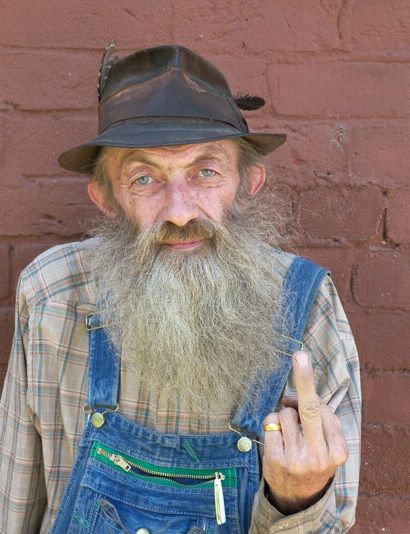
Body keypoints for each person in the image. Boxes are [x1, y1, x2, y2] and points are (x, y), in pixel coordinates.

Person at [0, 44, 361, 533]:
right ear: (105, 196)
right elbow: (15, 502)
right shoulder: (53, 294)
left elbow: (333, 524)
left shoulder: (306, 307)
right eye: (144, 177)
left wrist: (296, 500)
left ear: (248, 182)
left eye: (206, 172)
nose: (180, 211)